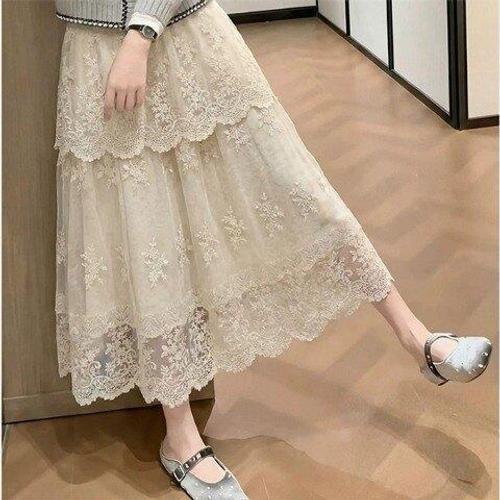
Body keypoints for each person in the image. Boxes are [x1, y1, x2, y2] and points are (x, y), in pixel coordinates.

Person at [53, 1, 492, 498]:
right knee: (149, 242)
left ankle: (417, 337)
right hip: (96, 53)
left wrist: (142, 34)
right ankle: (180, 435)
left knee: (298, 190)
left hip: (186, 38)